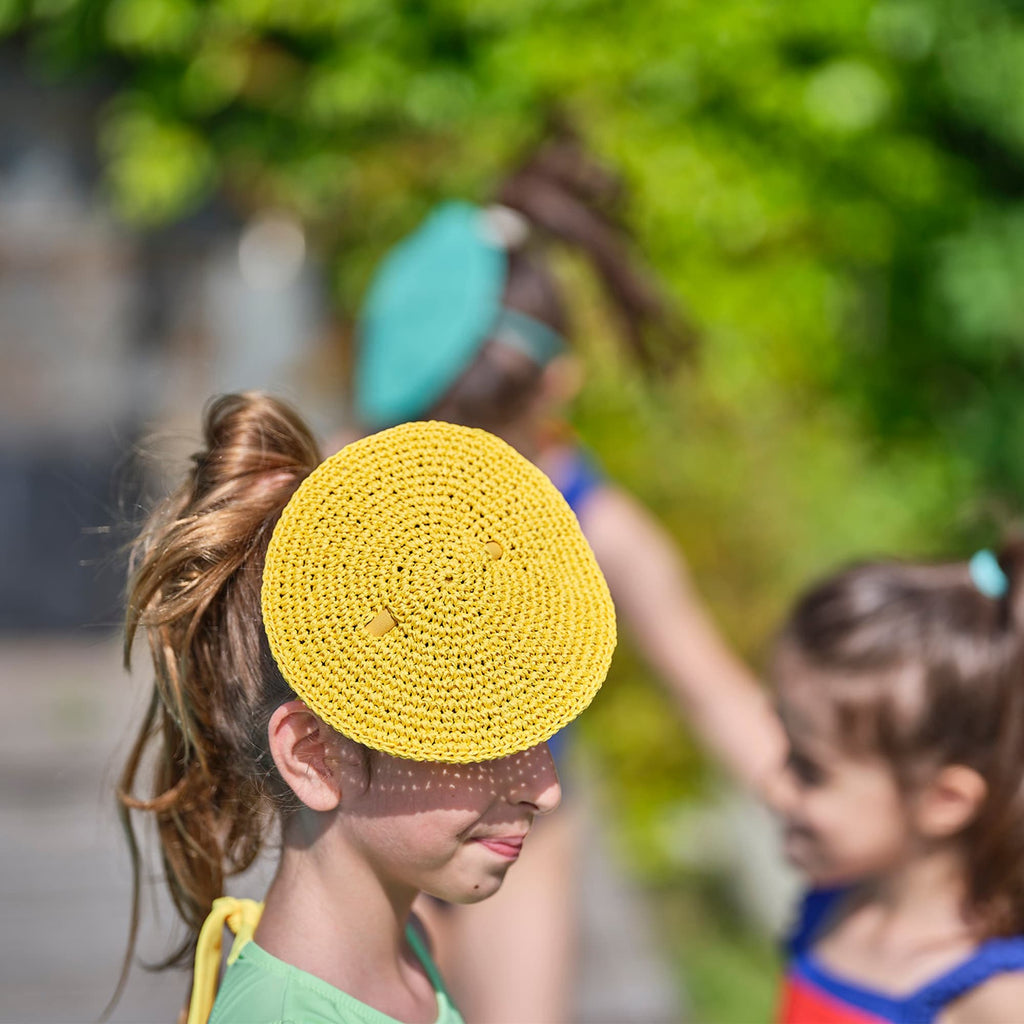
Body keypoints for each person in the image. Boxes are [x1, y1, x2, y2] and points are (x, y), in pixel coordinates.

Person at [354, 136, 783, 1022]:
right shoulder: (354, 494)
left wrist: (850, 810)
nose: (460, 473)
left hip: (522, 826)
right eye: (430, 441)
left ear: (558, 387)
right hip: (370, 806)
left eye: (488, 442)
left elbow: (715, 695)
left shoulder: (598, 521)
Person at [113, 392, 616, 1024]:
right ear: (314, 755)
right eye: (478, 742)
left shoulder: (409, 952)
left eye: (538, 734)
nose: (546, 790)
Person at [753, 547, 1024, 1022]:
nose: (774, 787)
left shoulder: (994, 999)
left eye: (809, 769)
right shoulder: (837, 905)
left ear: (945, 801)